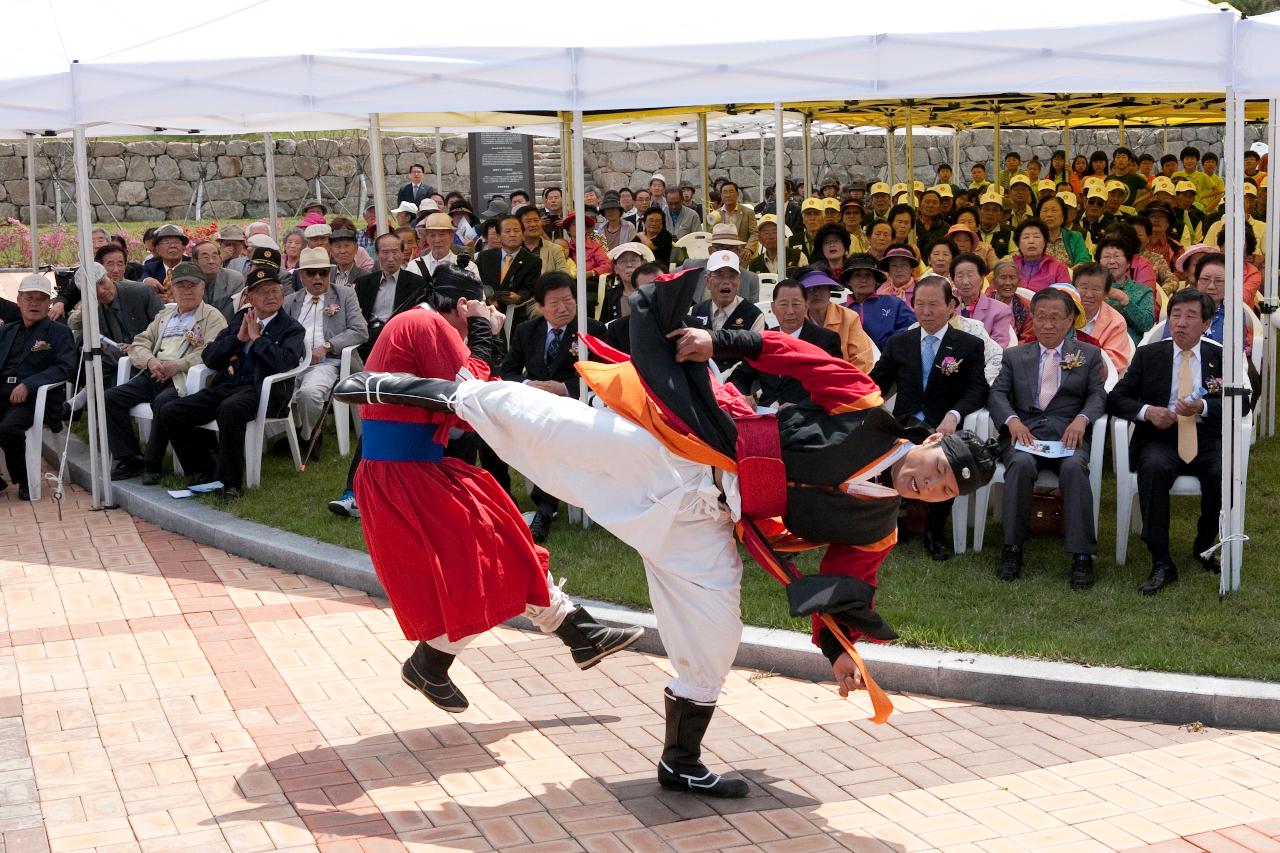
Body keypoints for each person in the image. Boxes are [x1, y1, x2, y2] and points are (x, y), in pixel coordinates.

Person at [334, 267, 997, 799]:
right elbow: (791, 354)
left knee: (715, 636)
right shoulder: (865, 408)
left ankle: (681, 762)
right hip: (692, 449)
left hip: (712, 523)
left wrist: (843, 654)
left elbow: (848, 591)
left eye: (944, 491)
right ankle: (415, 389)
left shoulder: (877, 527)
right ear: (931, 442)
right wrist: (719, 344)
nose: (930, 487)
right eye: (938, 471)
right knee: (561, 433)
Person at [334, 269, 642, 715]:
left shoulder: (417, 324)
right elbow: (471, 393)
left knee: (507, 540)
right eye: (479, 311)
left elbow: (463, 402)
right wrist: (483, 330)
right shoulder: (426, 324)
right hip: (406, 473)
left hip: (417, 468)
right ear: (463, 306)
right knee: (487, 562)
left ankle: (576, 632)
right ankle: (440, 660)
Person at [1108, 288, 1233, 595]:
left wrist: (1203, 407)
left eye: (1191, 316)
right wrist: (1148, 412)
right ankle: (1161, 559)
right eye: (1175, 315)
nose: (1181, 323)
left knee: (1220, 472)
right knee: (1153, 468)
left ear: (1206, 323)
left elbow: (1239, 403)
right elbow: (1116, 399)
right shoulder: (1150, 355)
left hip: (1204, 435)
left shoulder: (1221, 356)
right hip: (1160, 436)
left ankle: (1205, 543)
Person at [987, 287, 1107, 588]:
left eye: (1056, 318)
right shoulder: (1015, 355)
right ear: (1032, 319)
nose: (1048, 325)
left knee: (1074, 469)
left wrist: (1081, 419)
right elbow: (998, 393)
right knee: (1021, 466)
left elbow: (1097, 395)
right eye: (1041, 318)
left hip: (1067, 436)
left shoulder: (1088, 355)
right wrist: (1013, 422)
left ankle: (1082, 555)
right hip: (1026, 435)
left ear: (1070, 321)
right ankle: (1012, 548)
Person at [152, 269, 304, 501]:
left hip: (263, 391)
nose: (271, 296)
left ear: (283, 296)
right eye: (263, 292)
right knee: (170, 411)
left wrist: (258, 339)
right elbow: (210, 357)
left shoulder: (291, 327)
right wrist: (238, 339)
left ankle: (230, 483)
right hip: (227, 386)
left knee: (230, 409)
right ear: (250, 298)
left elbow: (285, 362)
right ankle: (205, 470)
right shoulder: (240, 319)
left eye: (275, 291)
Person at [871, 276, 989, 561]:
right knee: (874, 445)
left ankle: (934, 531)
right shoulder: (899, 343)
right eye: (920, 304)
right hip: (903, 424)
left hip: (943, 427)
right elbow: (876, 384)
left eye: (934, 304)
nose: (926, 311)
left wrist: (954, 414)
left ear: (951, 306)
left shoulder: (968, 344)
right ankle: (890, 523)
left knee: (945, 459)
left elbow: (978, 389)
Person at [498, 272, 607, 542]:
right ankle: (502, 500)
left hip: (576, 406)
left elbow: (604, 373)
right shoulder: (527, 331)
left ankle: (545, 510)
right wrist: (527, 384)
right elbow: (507, 370)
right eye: (555, 303)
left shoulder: (591, 329)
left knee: (556, 435)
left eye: (568, 301)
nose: (563, 308)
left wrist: (566, 388)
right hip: (533, 404)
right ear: (541, 306)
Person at [107, 263, 228, 481]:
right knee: (111, 398)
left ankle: (152, 463)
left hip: (184, 378)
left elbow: (211, 351)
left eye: (193, 285)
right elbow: (139, 343)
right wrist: (150, 361)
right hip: (154, 372)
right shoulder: (165, 315)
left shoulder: (212, 316)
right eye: (181, 286)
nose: (187, 290)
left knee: (163, 403)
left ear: (203, 289)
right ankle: (129, 458)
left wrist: (178, 365)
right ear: (172, 289)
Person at [281, 248, 369, 451]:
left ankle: (306, 437)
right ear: (301, 275)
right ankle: (293, 436)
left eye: (323, 272)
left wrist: (327, 347)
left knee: (309, 394)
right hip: (294, 362)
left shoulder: (344, 295)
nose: (318, 277)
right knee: (267, 389)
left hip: (328, 362)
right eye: (311, 273)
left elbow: (360, 330)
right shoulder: (290, 301)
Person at [0, 275, 76, 499]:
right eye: (29, 298)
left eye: (41, 299)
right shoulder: (6, 331)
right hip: (3, 393)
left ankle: (25, 479)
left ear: (49, 303)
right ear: (18, 300)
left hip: (36, 399)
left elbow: (66, 367)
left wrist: (29, 384)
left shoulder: (59, 332)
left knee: (8, 428)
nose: (34, 303)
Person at [730, 278, 841, 407]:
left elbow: (833, 386)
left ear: (806, 305)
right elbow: (740, 377)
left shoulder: (825, 340)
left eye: (796, 304)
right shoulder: (763, 339)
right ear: (773, 307)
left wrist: (801, 407)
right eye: (783, 304)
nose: (790, 311)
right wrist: (742, 396)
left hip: (806, 418)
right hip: (766, 415)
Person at [67, 259, 163, 397]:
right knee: (88, 345)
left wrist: (138, 346)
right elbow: (72, 324)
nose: (100, 291)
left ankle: (85, 396)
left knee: (106, 366)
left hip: (147, 354)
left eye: (101, 283)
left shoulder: (141, 292)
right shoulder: (94, 306)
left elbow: (164, 327)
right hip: (115, 356)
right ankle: (91, 399)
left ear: (110, 277)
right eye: (92, 289)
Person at [355, 233, 428, 359]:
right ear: (377, 254)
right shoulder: (364, 282)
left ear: (402, 253)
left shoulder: (417, 283)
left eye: (395, 252)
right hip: (367, 336)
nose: (390, 258)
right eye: (385, 252)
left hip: (397, 335)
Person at [690, 251, 764, 371]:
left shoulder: (754, 316)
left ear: (739, 281)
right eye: (719, 275)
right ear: (707, 281)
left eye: (732, 275)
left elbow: (753, 360)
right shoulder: (694, 312)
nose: (726, 281)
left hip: (738, 384)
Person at [475, 214, 541, 329]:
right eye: (507, 231)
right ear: (499, 236)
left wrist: (518, 296)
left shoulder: (533, 261)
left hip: (516, 313)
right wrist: (489, 299)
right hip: (486, 311)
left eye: (516, 230)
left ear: (523, 234)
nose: (512, 234)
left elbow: (530, 288)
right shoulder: (484, 257)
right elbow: (476, 282)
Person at [840, 254, 915, 351]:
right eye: (857, 275)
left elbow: (912, 327)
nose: (863, 280)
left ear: (876, 280)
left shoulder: (894, 304)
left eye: (868, 275)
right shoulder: (840, 310)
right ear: (848, 281)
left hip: (889, 360)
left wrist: (889, 343)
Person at [1073, 263, 1133, 375]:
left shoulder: (1116, 322)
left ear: (1106, 294)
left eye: (1096, 289)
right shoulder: (1061, 312)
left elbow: (1113, 363)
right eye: (1084, 287)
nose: (1089, 294)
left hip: (1095, 381)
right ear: (1073, 288)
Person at [1096, 237, 1155, 345]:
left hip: (1127, 346)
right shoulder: (1091, 288)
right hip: (1093, 343)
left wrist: (1124, 300)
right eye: (1106, 257)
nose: (1112, 261)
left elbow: (1147, 325)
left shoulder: (1143, 291)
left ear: (1128, 263)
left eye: (1117, 256)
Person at [951, 253, 1013, 347]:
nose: (965, 282)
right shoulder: (947, 307)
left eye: (970, 275)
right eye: (960, 276)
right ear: (953, 279)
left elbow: (999, 346)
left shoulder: (1001, 310)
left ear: (982, 278)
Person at [599, 242, 653, 324]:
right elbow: (604, 325)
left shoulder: (653, 291)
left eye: (634, 260)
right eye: (622, 261)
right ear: (616, 269)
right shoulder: (611, 294)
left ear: (643, 264)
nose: (629, 265)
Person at [1012, 219, 1071, 293]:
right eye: (1026, 237)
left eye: (1036, 237)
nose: (1031, 241)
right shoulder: (1009, 267)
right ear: (1018, 244)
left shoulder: (1059, 268)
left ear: (1044, 242)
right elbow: (994, 294)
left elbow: (1066, 298)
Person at [517, 205, 570, 277]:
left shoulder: (555, 249)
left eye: (536, 220)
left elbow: (564, 276)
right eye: (528, 221)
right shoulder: (513, 249)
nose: (533, 224)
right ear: (519, 224)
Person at [1037, 195, 1091, 267]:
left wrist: (1069, 272)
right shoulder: (1033, 238)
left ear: (1063, 216)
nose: (1049, 214)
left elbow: (1084, 260)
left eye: (1054, 210)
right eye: (1045, 210)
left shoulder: (1075, 236)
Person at [708, 181, 758, 256]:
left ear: (737, 194)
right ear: (721, 196)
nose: (728, 195)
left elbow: (754, 233)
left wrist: (749, 249)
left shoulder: (748, 212)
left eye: (731, 192)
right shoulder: (715, 214)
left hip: (742, 253)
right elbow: (711, 235)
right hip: (721, 253)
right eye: (725, 192)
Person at [976, 189, 1012, 258]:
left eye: (995, 210)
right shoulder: (971, 232)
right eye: (986, 209)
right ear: (979, 211)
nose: (990, 213)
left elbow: (1015, 256)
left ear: (1001, 213)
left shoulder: (1009, 233)